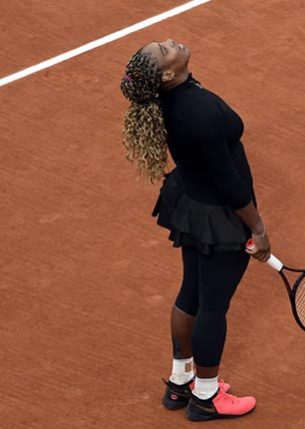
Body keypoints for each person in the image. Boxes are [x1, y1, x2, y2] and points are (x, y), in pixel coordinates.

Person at [119, 38, 270, 422]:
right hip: (217, 215)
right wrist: (256, 226)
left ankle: (179, 381)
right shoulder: (198, 112)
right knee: (213, 306)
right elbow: (229, 181)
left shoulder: (172, 99)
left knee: (192, 292)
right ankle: (205, 397)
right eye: (164, 50)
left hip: (189, 201)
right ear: (168, 74)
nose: (169, 42)